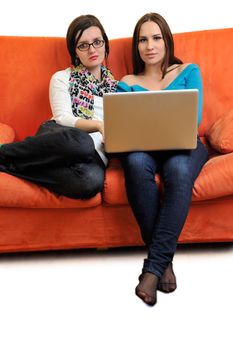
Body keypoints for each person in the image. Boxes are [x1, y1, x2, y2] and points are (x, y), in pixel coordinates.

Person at [117, 13, 209, 306]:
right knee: (133, 162)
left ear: (167, 41)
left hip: (184, 146)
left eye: (156, 38)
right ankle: (164, 264)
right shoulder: (127, 82)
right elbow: (125, 127)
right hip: (143, 147)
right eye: (143, 40)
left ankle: (153, 268)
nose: (150, 46)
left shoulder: (188, 71)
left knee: (179, 169)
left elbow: (192, 121)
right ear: (137, 46)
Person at [0, 15, 117, 199]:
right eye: (83, 45)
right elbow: (63, 118)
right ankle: (4, 152)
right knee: (82, 143)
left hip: (93, 155)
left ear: (105, 44)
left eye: (97, 42)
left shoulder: (117, 89)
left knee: (90, 182)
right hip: (61, 138)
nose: (92, 49)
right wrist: (98, 125)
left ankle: (7, 165)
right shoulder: (62, 77)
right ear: (74, 51)